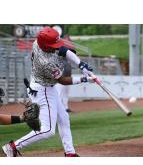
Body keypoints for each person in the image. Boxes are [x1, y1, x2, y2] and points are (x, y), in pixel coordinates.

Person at [2, 26, 95, 157]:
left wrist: (81, 64)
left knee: (64, 118)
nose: (56, 46)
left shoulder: (39, 42)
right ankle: (13, 147)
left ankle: (70, 153)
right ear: (45, 46)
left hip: (43, 86)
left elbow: (64, 49)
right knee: (48, 130)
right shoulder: (45, 62)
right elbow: (62, 80)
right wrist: (85, 78)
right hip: (43, 90)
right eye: (53, 45)